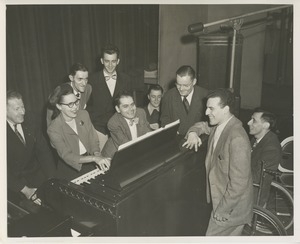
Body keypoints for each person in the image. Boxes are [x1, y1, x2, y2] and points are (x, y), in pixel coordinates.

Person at [183, 88, 253, 236]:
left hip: (230, 208)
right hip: (223, 202)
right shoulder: (220, 126)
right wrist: (193, 133)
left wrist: (223, 210)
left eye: (211, 108)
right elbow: (202, 125)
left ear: (226, 109)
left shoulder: (237, 137)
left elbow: (239, 183)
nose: (207, 112)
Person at [47, 83, 110, 181]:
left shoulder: (84, 114)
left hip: (90, 163)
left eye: (76, 102)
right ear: (59, 107)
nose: (75, 107)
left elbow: (93, 140)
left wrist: (97, 154)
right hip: (70, 170)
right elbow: (67, 156)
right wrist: (94, 158)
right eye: (70, 104)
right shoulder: (53, 129)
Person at [7, 90, 56, 210]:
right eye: (17, 109)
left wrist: (52, 179)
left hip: (37, 175)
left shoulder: (31, 118)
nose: (23, 112)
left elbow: (44, 152)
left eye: (23, 106)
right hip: (14, 184)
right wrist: (25, 190)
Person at [87, 44, 131, 151]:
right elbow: (87, 106)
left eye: (113, 61)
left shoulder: (126, 79)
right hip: (99, 129)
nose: (110, 65)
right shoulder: (91, 80)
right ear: (102, 61)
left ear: (118, 61)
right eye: (107, 61)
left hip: (120, 128)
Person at [101, 91, 151, 160]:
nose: (131, 109)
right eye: (125, 106)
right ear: (118, 109)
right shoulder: (113, 123)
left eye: (132, 104)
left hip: (136, 151)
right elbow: (127, 147)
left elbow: (148, 133)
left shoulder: (141, 113)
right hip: (115, 157)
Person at [248, 108, 282, 206]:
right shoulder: (256, 139)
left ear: (265, 125)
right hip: (247, 185)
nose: (249, 122)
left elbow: (257, 178)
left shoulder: (271, 147)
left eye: (253, 120)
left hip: (254, 194)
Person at [160, 65, 208, 136]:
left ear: (194, 81)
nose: (181, 89)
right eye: (178, 84)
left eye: (186, 85)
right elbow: (164, 119)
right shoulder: (168, 96)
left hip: (198, 141)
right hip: (175, 140)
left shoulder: (205, 95)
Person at [46, 63, 92, 127]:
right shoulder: (61, 91)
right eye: (80, 79)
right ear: (71, 78)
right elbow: (50, 121)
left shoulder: (88, 89)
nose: (84, 83)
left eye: (86, 79)